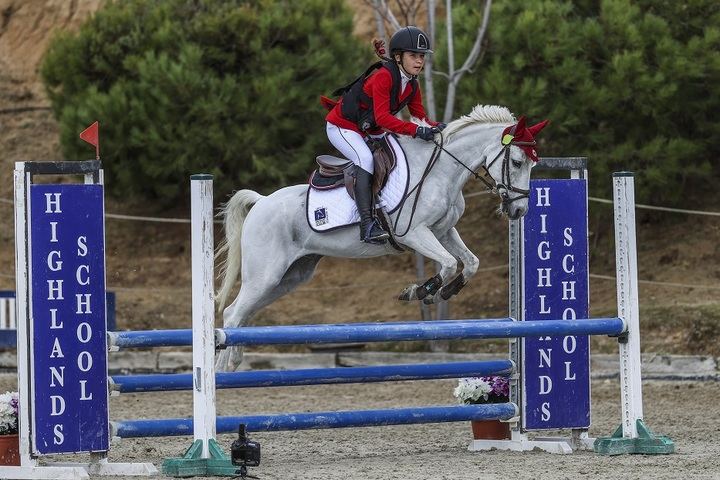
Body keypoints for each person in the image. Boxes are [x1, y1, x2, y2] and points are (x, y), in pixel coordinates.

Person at [325, 26, 445, 244]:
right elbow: (383, 119)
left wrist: (441, 128)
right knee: (366, 159)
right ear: (398, 57)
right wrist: (418, 131)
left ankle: (387, 207)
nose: (419, 61)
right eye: (413, 55)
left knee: (398, 154)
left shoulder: (412, 85)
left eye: (421, 56)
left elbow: (420, 118)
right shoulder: (384, 77)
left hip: (368, 129)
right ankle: (367, 225)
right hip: (342, 127)